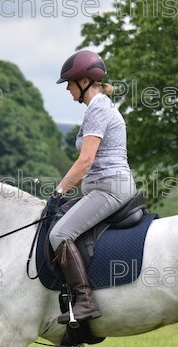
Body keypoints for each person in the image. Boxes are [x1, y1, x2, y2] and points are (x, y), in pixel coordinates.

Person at [49, 49, 138, 325]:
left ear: (84, 81)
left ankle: (85, 300)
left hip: (109, 188)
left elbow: (85, 160)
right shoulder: (99, 107)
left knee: (59, 234)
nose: (67, 88)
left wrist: (59, 191)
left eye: (70, 82)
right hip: (104, 186)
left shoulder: (98, 108)